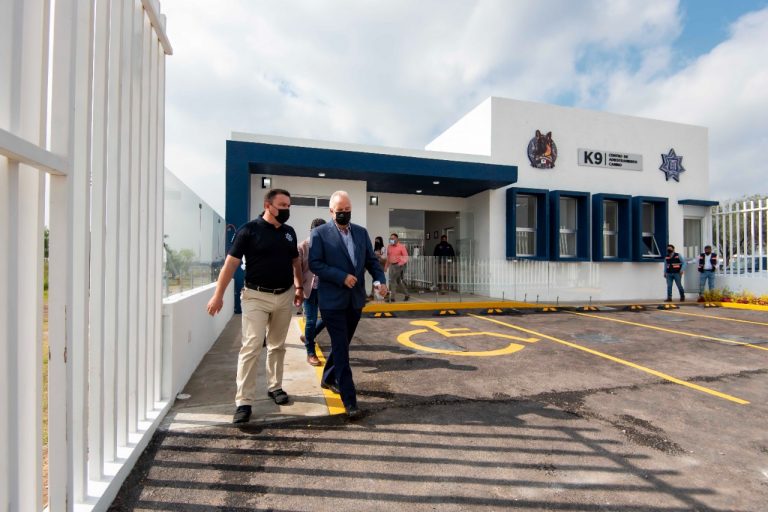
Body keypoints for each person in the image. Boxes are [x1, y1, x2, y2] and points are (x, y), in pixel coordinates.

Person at [206, 188, 304, 424]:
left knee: (277, 346)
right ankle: (244, 402)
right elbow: (230, 264)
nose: (286, 210)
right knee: (251, 347)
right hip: (255, 297)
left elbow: (295, 262)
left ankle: (275, 387)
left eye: (288, 206)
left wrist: (299, 287)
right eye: (282, 205)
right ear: (268, 206)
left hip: (284, 296)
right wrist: (218, 295)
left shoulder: (289, 233)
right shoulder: (249, 230)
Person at [309, 191, 388, 419]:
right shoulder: (319, 234)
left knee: (342, 344)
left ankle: (328, 378)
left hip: (355, 301)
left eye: (347, 210)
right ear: (331, 211)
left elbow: (371, 262)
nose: (344, 214)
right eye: (340, 211)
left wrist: (380, 280)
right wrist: (341, 276)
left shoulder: (361, 233)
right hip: (332, 302)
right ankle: (350, 400)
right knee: (342, 349)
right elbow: (315, 264)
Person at [298, 218, 327, 366]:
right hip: (308, 290)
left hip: (325, 289)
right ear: (312, 231)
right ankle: (310, 352)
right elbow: (297, 270)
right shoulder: (302, 247)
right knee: (311, 320)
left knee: (328, 318)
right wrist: (298, 288)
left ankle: (309, 335)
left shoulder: (328, 247)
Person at [385, 233, 409, 302]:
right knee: (398, 281)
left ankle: (392, 298)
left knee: (392, 280)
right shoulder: (389, 246)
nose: (391, 240)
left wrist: (400, 264)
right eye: (390, 238)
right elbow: (388, 257)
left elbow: (406, 257)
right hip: (391, 266)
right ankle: (407, 294)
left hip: (398, 266)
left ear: (396, 239)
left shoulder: (401, 247)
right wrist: (386, 266)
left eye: (392, 238)